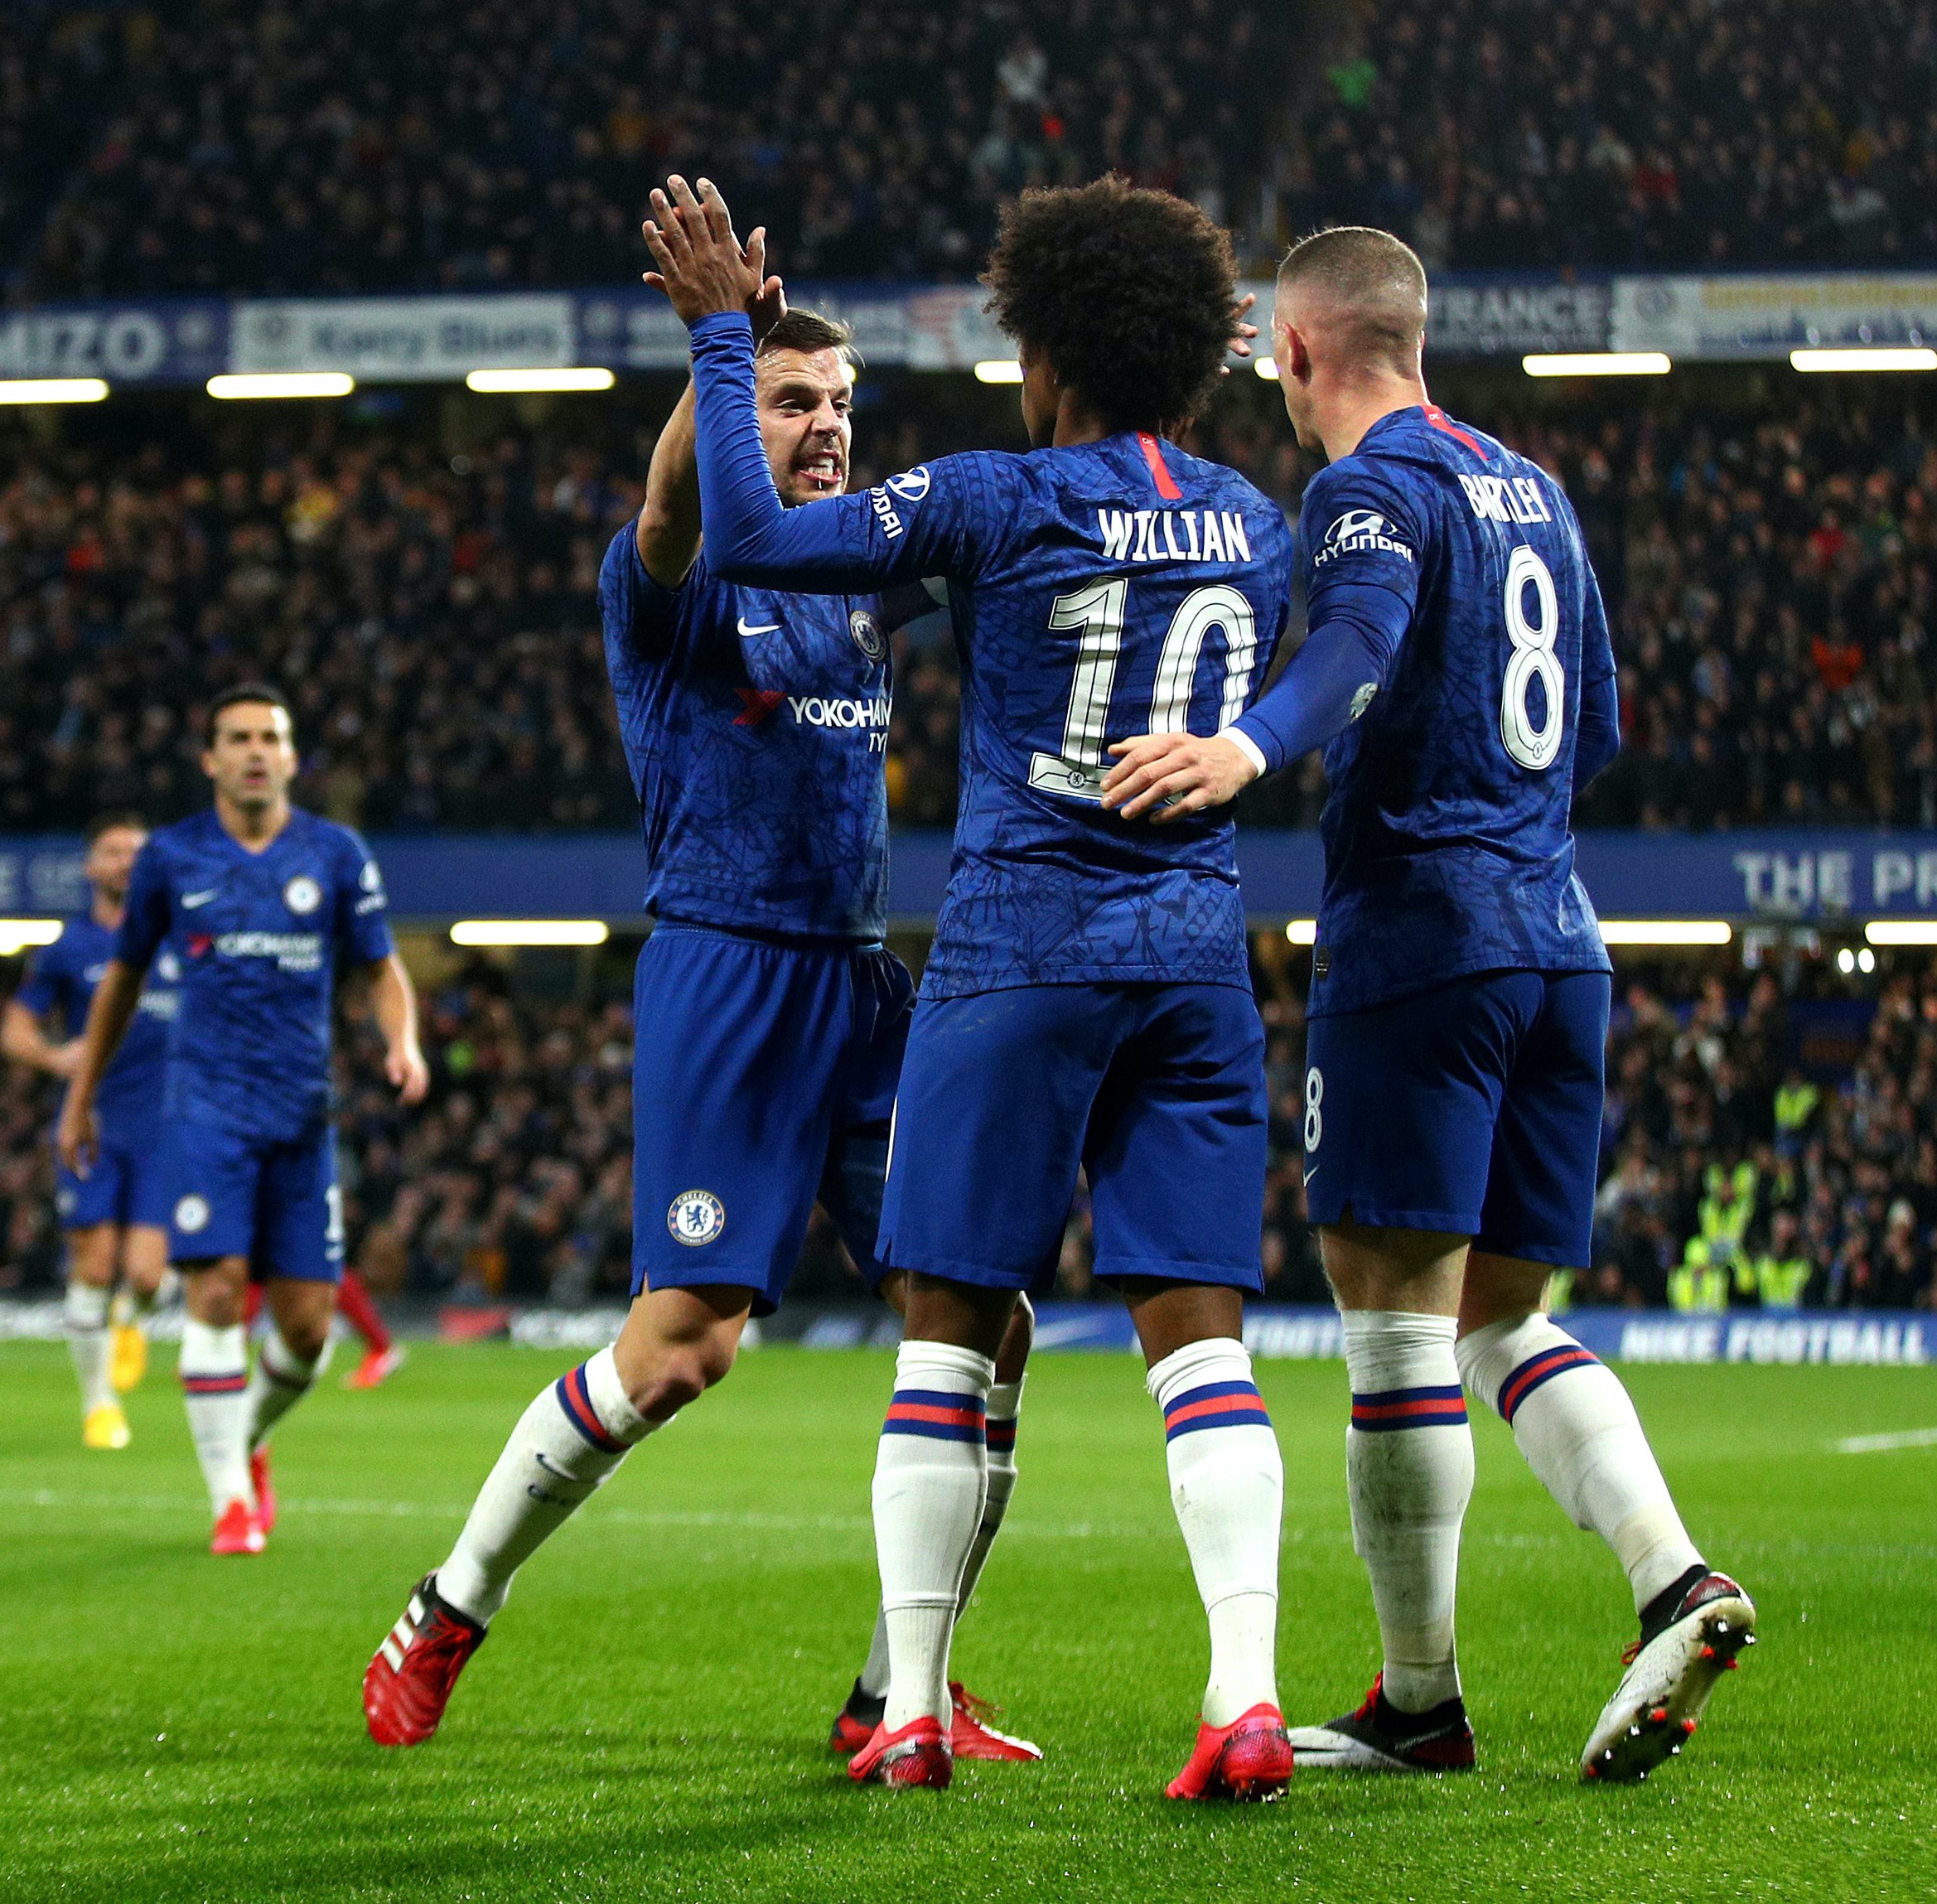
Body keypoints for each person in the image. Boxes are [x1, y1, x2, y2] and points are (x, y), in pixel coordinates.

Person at [647, 173, 1296, 1797]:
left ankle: (914, 1707)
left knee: (945, 1334)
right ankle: (1243, 1694)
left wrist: (725, 346)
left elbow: (748, 542)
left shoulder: (995, 495)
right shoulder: (1253, 517)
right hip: (1193, 964)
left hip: (1017, 955)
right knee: (1197, 1342)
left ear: (1046, 351)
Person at [1094, 223, 1756, 1786]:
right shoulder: (1532, 482)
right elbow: (1592, 722)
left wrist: (1251, 750)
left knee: (1390, 1315)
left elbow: (1363, 643)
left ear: (1297, 351)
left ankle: (1419, 1699)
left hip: (1419, 939)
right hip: (1558, 934)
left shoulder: (1365, 488)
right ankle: (1675, 1577)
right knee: (1499, 1312)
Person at [363, 279, 1036, 1766]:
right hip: (728, 976)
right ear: (735, 417)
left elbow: (1006, 538)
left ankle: (900, 1684)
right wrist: (716, 347)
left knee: (989, 1319)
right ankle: (452, 1600)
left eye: (841, 404)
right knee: (682, 1351)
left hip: (862, 985)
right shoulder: (670, 582)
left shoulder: (856, 574)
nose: (827, 426)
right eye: (794, 403)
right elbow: (674, 504)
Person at [57, 686, 428, 1557]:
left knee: (306, 1332)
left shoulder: (335, 854)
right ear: (210, 758)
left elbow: (380, 968)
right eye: (238, 738)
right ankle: (230, 1501)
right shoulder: (171, 858)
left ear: (293, 758)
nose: (256, 751)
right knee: (216, 1290)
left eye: (271, 737)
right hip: (204, 1109)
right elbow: (119, 983)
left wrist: (402, 1043)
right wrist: (80, 1098)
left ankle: (247, 1437)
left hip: (302, 1110)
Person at [2, 813, 184, 1449]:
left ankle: (131, 1315)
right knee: (94, 1261)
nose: (125, 863)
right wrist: (56, 1057)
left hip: (165, 1130)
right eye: (112, 852)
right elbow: (14, 1030)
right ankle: (100, 1405)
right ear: (91, 867)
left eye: (137, 852)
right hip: (95, 1125)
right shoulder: (68, 948)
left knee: (147, 1276)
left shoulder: (177, 940)